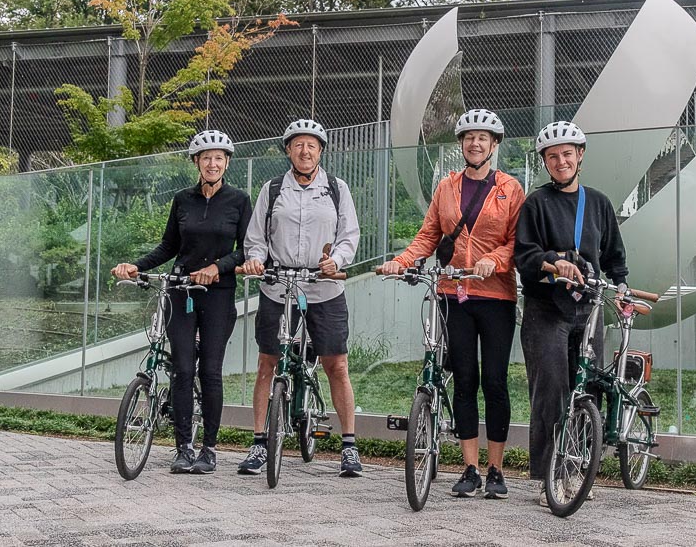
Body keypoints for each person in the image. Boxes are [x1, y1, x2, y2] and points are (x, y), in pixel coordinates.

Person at [380, 109, 526, 500]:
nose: (475, 143)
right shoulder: (446, 187)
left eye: (483, 138)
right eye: (468, 137)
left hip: (496, 296)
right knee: (464, 379)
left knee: (494, 381)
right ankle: (470, 468)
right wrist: (402, 261)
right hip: (452, 294)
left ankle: (497, 469)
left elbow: (517, 242)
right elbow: (428, 235)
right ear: (461, 145)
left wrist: (492, 261)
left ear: (494, 145)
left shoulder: (510, 188)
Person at [112, 130, 252, 474]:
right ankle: (183, 446)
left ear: (227, 163)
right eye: (206, 158)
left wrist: (216, 269)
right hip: (180, 291)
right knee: (183, 369)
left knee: (210, 372)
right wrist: (136, 266)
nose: (212, 163)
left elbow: (247, 249)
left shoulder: (239, 200)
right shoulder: (182, 200)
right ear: (196, 163)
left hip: (218, 295)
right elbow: (168, 247)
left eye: (219, 158)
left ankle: (210, 449)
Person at [237, 119, 363, 478]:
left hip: (324, 288)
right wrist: (257, 259)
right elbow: (256, 236)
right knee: (267, 363)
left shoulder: (337, 189)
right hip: (279, 286)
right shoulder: (273, 189)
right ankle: (260, 443)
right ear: (288, 150)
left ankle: (349, 447)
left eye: (311, 145)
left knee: (336, 365)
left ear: (321, 150)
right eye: (298, 145)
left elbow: (348, 235)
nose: (305, 151)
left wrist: (335, 261)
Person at [514, 120, 629, 507]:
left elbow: (615, 257)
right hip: (547, 310)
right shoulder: (536, 204)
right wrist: (555, 262)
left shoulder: (598, 203)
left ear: (580, 156)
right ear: (545, 162)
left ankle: (577, 470)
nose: (560, 161)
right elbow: (525, 256)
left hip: (589, 310)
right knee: (551, 391)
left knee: (589, 391)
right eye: (552, 156)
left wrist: (623, 288)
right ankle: (548, 475)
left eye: (567, 154)